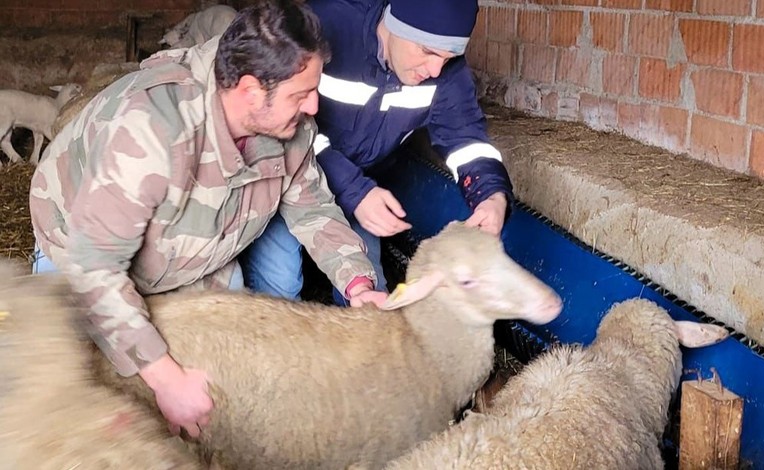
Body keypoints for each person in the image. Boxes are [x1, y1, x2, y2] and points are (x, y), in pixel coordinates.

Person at [29, 0, 385, 439]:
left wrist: (357, 284)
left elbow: (313, 208)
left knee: (221, 396)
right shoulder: (149, 129)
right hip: (82, 253)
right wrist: (166, 380)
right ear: (251, 90)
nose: (313, 106)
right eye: (300, 94)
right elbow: (94, 269)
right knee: (80, 408)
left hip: (197, 250)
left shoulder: (290, 128)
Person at [240, 0, 515, 305]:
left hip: (363, 186)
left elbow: (466, 139)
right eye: (428, 51)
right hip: (287, 184)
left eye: (450, 56)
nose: (436, 69)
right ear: (395, 25)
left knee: (369, 291)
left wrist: (491, 196)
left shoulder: (446, 73)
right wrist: (355, 191)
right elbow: (289, 132)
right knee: (281, 282)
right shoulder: (323, 30)